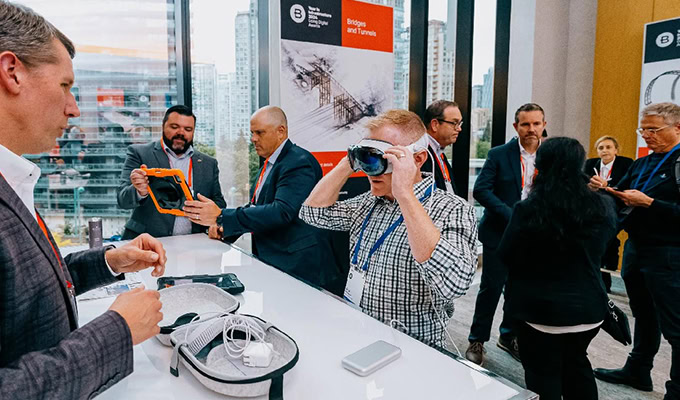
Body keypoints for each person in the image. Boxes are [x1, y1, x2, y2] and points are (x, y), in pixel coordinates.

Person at [0, 3, 167, 398]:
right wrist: (118, 333)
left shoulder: (14, 175)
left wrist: (110, 260)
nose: (74, 108)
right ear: (12, 72)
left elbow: (29, 283)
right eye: (64, 86)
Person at [298, 109, 477, 348]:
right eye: (367, 158)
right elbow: (312, 213)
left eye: (384, 158)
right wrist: (349, 162)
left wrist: (405, 194)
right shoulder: (369, 202)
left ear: (418, 159)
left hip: (414, 346)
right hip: (360, 332)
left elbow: (456, 282)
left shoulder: (452, 209)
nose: (371, 169)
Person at [498, 137, 616, 400]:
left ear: (540, 168)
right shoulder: (603, 206)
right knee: (577, 365)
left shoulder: (528, 209)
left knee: (543, 375)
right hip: (589, 309)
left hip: (540, 314)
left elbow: (506, 254)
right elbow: (604, 249)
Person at [183, 106, 343, 292]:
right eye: (252, 133)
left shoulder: (299, 162)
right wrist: (225, 229)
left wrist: (221, 215)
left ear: (281, 132)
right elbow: (257, 207)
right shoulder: (272, 163)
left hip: (301, 267)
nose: (253, 139)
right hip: (278, 263)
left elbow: (281, 211)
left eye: (259, 132)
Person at [592, 102, 680, 399]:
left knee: (675, 325)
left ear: (677, 128)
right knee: (644, 314)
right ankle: (639, 370)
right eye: (643, 129)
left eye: (653, 129)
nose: (646, 135)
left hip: (670, 252)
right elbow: (622, 200)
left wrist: (651, 204)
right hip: (636, 248)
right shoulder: (642, 163)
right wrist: (606, 190)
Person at [465, 102, 547, 365]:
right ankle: (477, 339)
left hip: (532, 236)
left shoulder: (551, 156)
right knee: (491, 288)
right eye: (525, 124)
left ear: (544, 125)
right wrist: (512, 214)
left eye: (536, 123)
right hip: (499, 233)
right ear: (516, 126)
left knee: (520, 289)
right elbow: (481, 190)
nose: (531, 129)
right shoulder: (499, 154)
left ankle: (509, 336)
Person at [117, 105, 226, 239]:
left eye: (188, 129)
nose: (181, 133)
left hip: (195, 244)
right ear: (163, 126)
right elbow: (122, 200)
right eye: (174, 127)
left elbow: (219, 203)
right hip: (146, 242)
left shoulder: (209, 163)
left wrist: (211, 215)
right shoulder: (139, 153)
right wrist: (139, 191)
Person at [584, 135, 634, 292]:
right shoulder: (590, 164)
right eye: (601, 148)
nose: (604, 151)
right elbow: (581, 183)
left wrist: (608, 186)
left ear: (616, 150)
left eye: (608, 147)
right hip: (595, 209)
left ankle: (608, 276)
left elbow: (628, 184)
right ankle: (598, 279)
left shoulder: (626, 163)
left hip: (617, 208)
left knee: (610, 241)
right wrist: (589, 187)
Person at [423, 100, 462, 195]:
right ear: (435, 124)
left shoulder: (439, 152)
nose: (459, 129)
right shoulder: (420, 155)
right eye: (454, 123)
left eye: (460, 123)